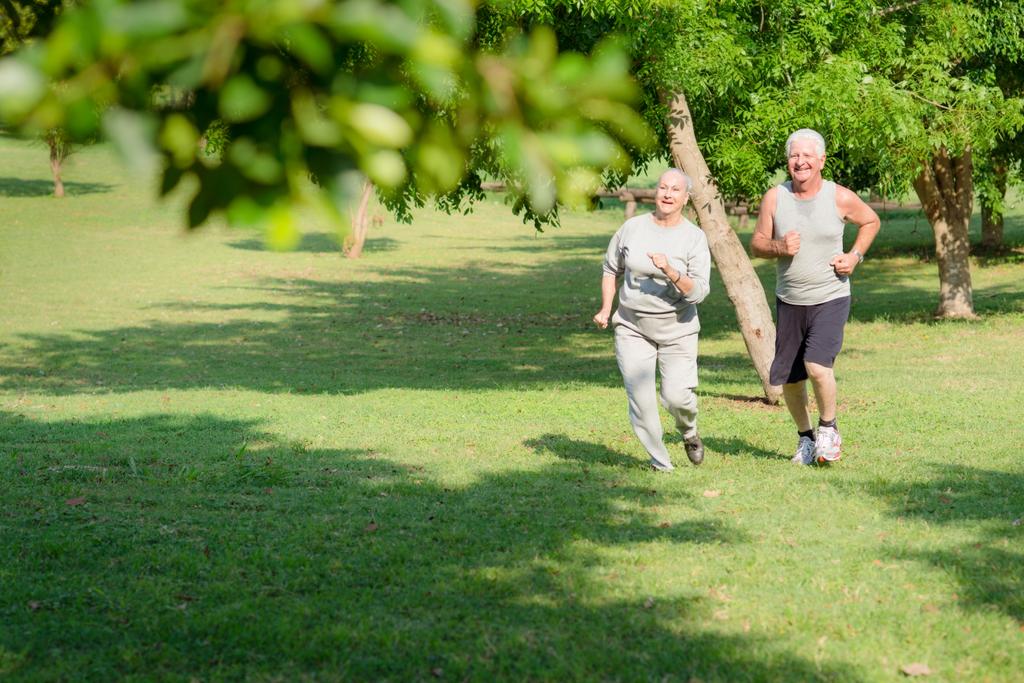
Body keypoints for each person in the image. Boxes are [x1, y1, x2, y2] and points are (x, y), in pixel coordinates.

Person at [751, 129, 880, 465]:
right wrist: (779, 246)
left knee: (817, 366)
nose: (801, 161)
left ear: (821, 160)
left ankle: (828, 429)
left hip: (830, 296)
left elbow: (871, 221)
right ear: (788, 160)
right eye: (795, 155)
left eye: (808, 155)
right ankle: (806, 438)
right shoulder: (774, 198)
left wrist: (854, 257)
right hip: (790, 299)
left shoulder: (839, 197)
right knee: (791, 380)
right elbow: (758, 243)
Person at [593, 168, 711, 471]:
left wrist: (670, 271)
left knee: (676, 398)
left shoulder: (694, 238)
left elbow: (698, 292)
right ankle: (661, 464)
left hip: (678, 329)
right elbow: (610, 269)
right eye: (663, 188)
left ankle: (689, 431)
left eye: (675, 190)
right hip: (632, 326)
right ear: (656, 192)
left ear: (685, 199)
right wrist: (607, 308)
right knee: (641, 401)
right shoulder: (632, 228)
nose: (667, 194)